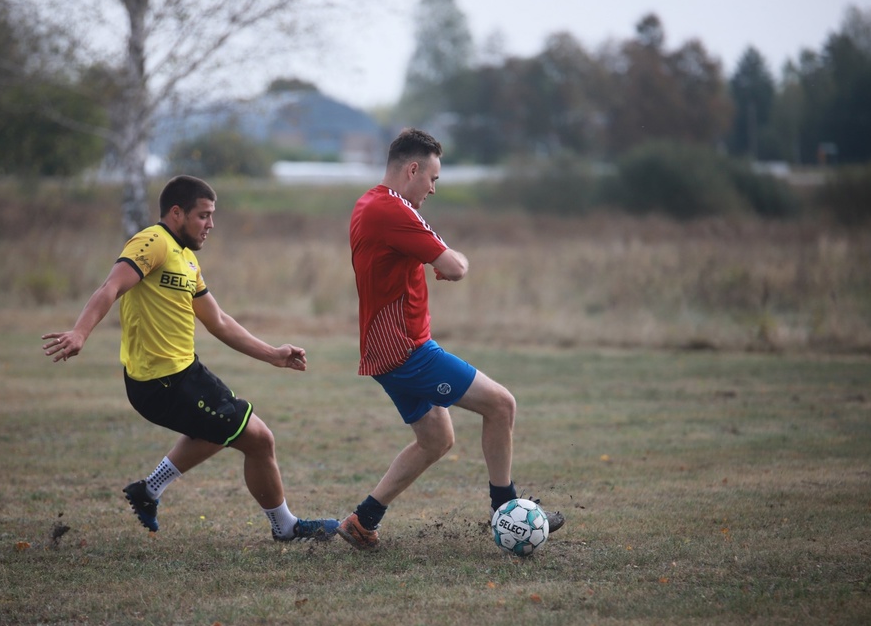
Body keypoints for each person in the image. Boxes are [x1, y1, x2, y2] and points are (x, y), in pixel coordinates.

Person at [42, 175, 338, 542]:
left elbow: (220, 322)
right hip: (160, 382)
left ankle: (149, 490)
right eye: (204, 215)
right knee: (257, 438)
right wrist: (81, 331)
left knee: (222, 431)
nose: (210, 225)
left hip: (187, 374)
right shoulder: (153, 242)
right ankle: (286, 528)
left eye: (212, 216)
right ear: (177, 213)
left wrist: (273, 355)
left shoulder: (186, 261)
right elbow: (111, 286)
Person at [337, 128, 565, 550]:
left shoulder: (370, 202)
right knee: (501, 405)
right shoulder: (393, 210)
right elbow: (456, 266)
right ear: (412, 169)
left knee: (437, 439)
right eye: (433, 178)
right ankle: (509, 512)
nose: (434, 188)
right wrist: (449, 258)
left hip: (386, 350)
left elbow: (435, 258)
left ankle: (363, 520)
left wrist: (440, 257)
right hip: (407, 351)